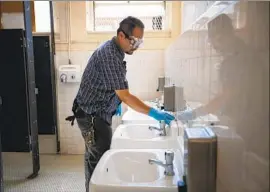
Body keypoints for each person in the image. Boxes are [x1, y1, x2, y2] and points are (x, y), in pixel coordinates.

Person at [66, 16, 175, 192]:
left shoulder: (116, 52)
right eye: (134, 41)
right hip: (92, 116)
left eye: (139, 42)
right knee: (99, 162)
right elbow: (126, 96)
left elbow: (113, 85)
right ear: (121, 35)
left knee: (93, 157)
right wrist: (155, 113)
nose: (136, 46)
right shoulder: (109, 54)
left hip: (93, 110)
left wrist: (114, 101)